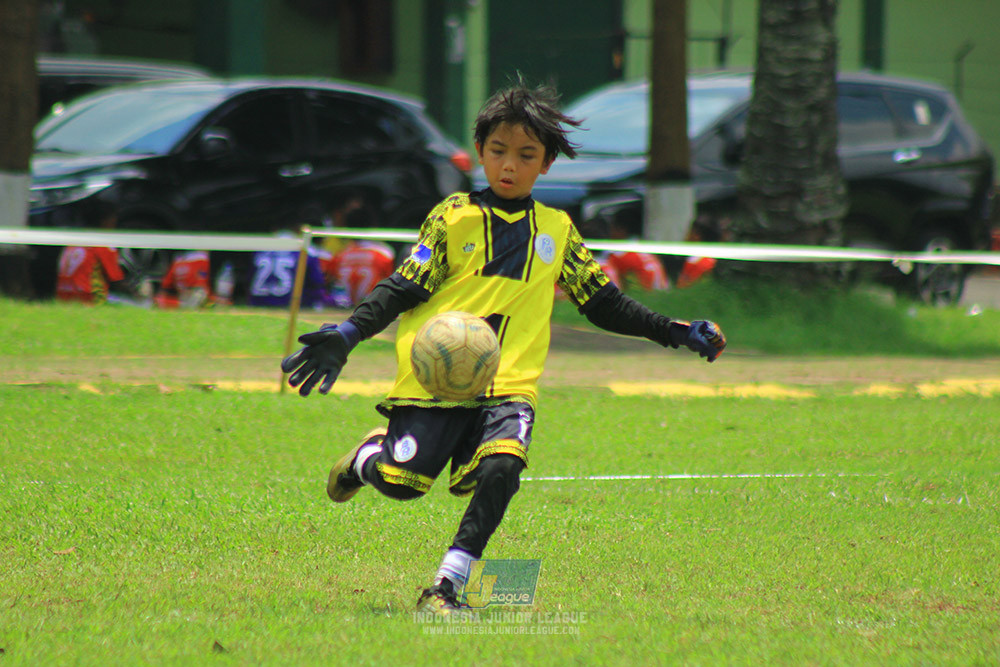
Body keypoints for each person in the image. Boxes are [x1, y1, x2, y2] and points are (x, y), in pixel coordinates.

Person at [280, 80, 727, 616]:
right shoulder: (453, 218)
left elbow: (603, 302)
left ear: (547, 163)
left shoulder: (557, 230)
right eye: (497, 151)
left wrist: (673, 330)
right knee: (402, 484)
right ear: (479, 152)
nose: (509, 165)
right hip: (435, 377)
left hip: (509, 381)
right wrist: (349, 333)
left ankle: (445, 587)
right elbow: (403, 287)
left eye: (526, 155)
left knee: (503, 467)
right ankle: (366, 458)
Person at [55, 197, 129, 304]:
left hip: (64, 297)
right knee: (141, 305)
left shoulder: (72, 242)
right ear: (106, 220)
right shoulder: (103, 244)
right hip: (88, 298)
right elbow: (117, 280)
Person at [247, 231, 333, 309]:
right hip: (290, 304)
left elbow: (249, 278)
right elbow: (316, 283)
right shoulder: (306, 251)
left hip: (257, 302)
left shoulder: (260, 250)